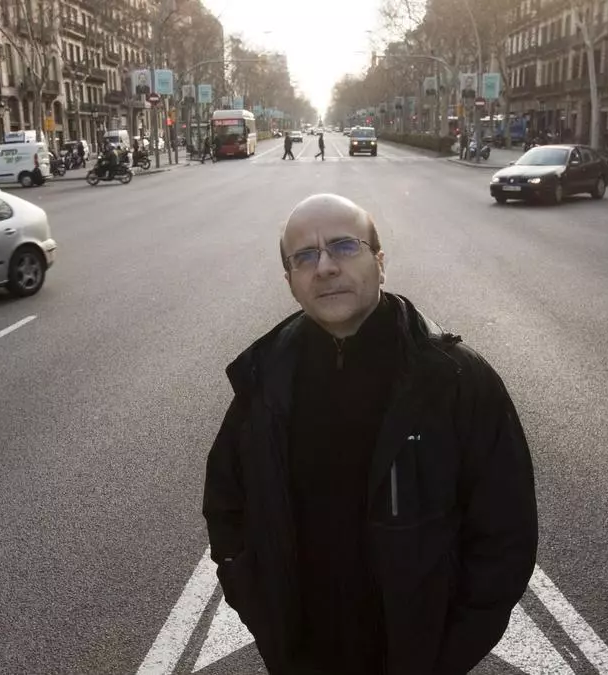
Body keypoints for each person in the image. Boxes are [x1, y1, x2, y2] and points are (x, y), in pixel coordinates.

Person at [203, 194, 539, 675]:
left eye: (344, 246)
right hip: (303, 659)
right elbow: (226, 505)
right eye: (304, 256)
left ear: (379, 263)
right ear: (290, 281)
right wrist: (261, 612)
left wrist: (448, 654)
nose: (324, 267)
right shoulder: (264, 380)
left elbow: (506, 530)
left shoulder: (454, 379)